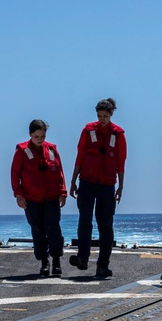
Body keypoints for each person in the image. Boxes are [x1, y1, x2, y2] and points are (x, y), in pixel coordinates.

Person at [69, 98, 127, 278]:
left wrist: (121, 186)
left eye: (105, 116)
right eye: (99, 116)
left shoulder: (118, 134)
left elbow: (121, 162)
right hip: (86, 182)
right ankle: (82, 258)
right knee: (84, 220)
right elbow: (80, 155)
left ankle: (103, 265)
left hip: (107, 184)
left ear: (111, 115)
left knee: (105, 225)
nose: (102, 119)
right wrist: (73, 181)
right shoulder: (88, 130)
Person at [11, 119, 67, 277]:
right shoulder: (22, 150)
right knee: (38, 231)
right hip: (32, 199)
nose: (39, 139)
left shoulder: (52, 149)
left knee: (54, 229)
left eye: (42, 136)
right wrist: (18, 195)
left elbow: (60, 172)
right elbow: (15, 175)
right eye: (36, 136)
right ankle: (44, 262)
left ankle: (56, 261)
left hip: (51, 197)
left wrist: (63, 192)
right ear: (30, 135)